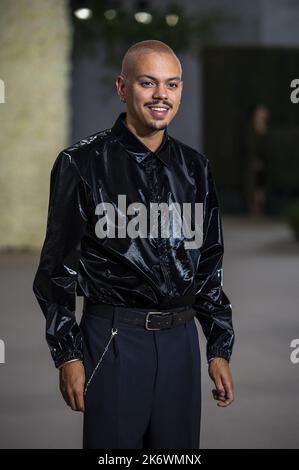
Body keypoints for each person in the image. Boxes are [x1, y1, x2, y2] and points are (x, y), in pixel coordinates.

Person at [33, 39, 235, 449]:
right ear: (122, 88)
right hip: (114, 339)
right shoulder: (81, 163)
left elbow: (209, 263)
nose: (162, 95)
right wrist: (68, 354)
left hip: (181, 344)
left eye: (173, 84)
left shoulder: (195, 168)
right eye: (148, 83)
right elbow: (56, 269)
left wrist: (218, 345)